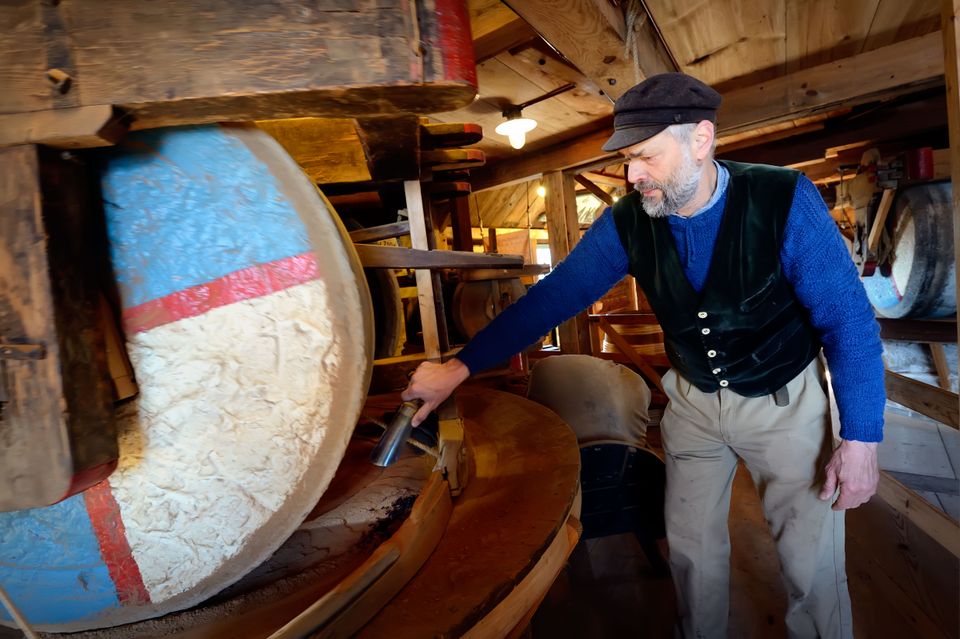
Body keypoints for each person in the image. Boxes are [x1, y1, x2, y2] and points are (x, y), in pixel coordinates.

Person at [402, 72, 884, 639]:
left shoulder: (783, 199)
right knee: (691, 553)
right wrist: (459, 367)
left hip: (784, 404)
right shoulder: (628, 221)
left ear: (700, 140)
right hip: (693, 405)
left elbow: (847, 321)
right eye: (628, 159)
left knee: (810, 563)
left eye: (647, 156)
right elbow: (556, 296)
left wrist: (861, 439)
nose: (632, 175)